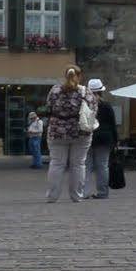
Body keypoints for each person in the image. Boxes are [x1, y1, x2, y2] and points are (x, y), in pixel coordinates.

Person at [42, 66, 92, 203]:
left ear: (65, 76)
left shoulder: (55, 90)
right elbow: (93, 109)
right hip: (80, 131)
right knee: (78, 164)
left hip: (57, 130)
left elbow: (49, 107)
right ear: (80, 76)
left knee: (57, 163)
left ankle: (52, 196)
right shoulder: (85, 91)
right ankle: (76, 196)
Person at [86, 79, 117, 198]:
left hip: (88, 136)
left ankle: (84, 192)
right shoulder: (106, 106)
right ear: (101, 92)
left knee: (86, 166)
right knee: (102, 166)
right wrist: (115, 141)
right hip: (104, 138)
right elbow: (112, 124)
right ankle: (103, 192)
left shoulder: (85, 105)